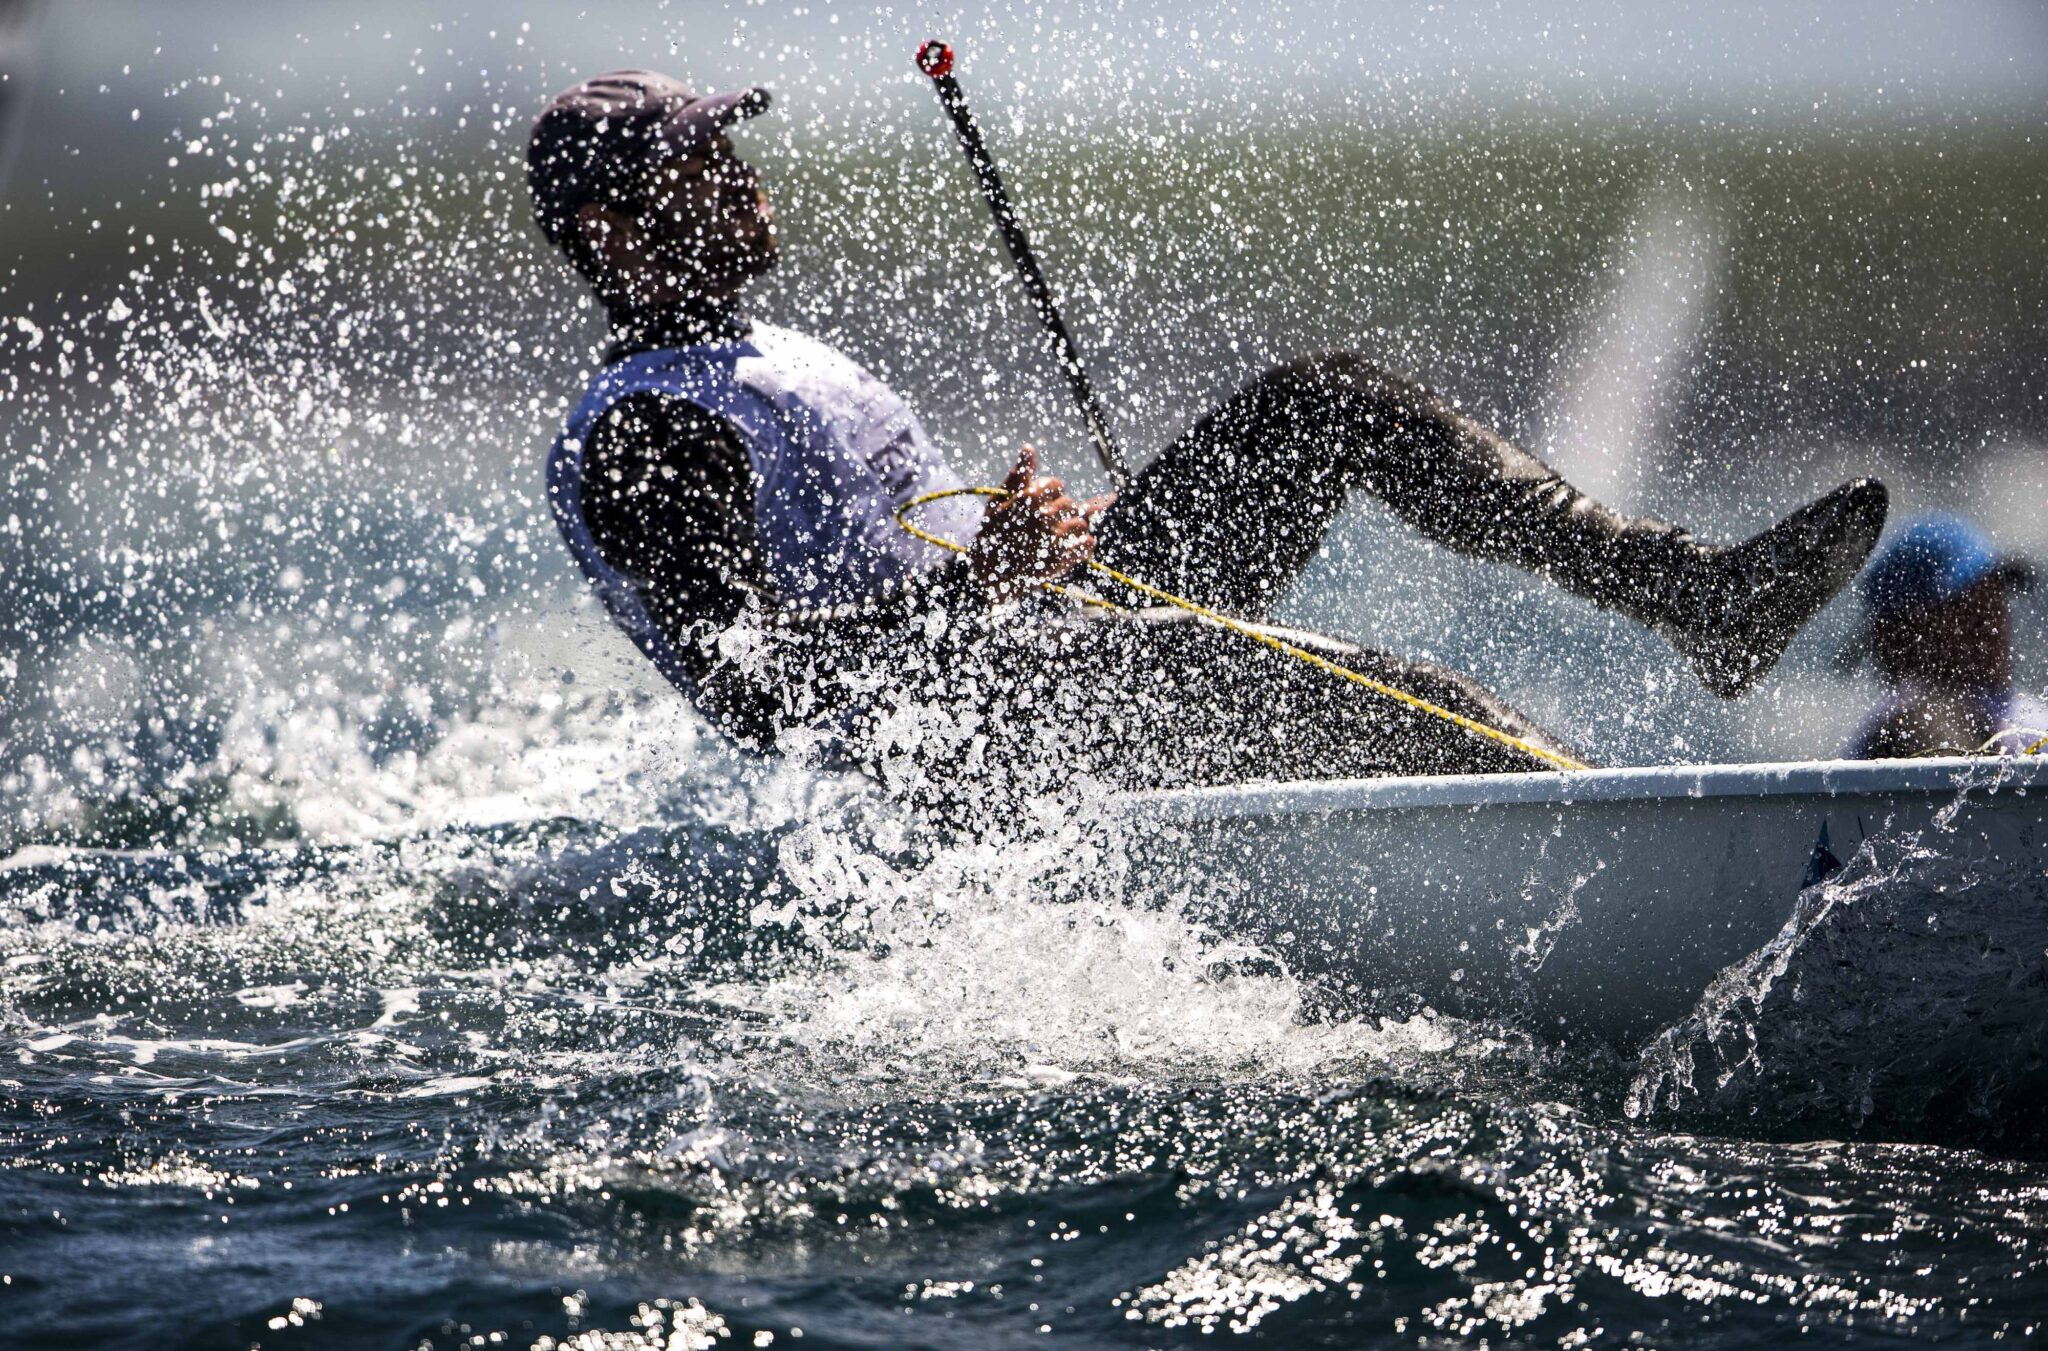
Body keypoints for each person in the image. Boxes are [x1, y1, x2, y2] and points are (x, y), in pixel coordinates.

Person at [528, 70, 1890, 800]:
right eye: (700, 164)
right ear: (615, 230)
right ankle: (1640, 848)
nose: (741, 178)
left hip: (1037, 643)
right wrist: (979, 590)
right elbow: (754, 690)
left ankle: (1696, 596)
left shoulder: (745, 352)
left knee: (1325, 398)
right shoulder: (650, 431)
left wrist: (1016, 559)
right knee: (1413, 698)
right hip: (971, 740)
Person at [1842, 515, 2043, 759]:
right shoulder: (1898, 730)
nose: (1992, 624)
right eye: (1968, 608)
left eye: (1996, 601)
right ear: (1906, 633)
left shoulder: (2023, 714)